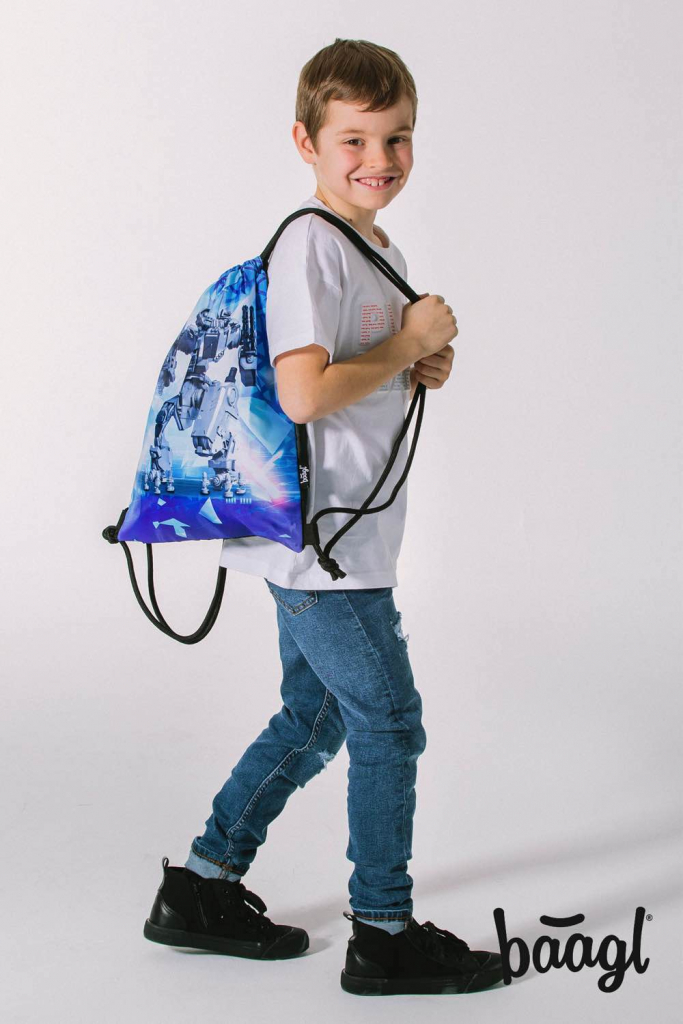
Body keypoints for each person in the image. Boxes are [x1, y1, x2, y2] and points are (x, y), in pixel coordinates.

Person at [144, 37, 504, 996]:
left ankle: (201, 887)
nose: (377, 158)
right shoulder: (311, 241)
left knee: (313, 718)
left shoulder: (373, 247)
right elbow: (303, 394)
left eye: (396, 137)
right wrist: (405, 347)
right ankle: (383, 934)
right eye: (354, 139)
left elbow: (354, 372)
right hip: (324, 547)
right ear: (305, 141)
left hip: (339, 537)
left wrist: (417, 361)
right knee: (388, 725)